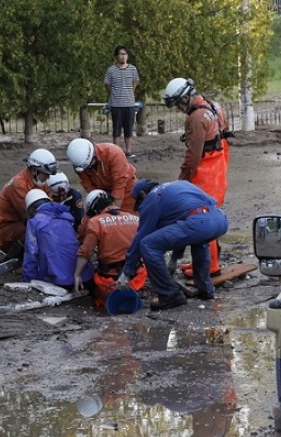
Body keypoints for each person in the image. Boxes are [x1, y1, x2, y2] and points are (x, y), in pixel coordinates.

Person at [117, 179, 228, 311]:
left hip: (199, 222)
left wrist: (127, 271)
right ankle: (206, 290)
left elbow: (141, 235)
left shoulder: (152, 198)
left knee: (148, 244)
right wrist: (175, 258)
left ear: (142, 194)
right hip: (220, 220)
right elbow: (182, 223)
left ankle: (170, 295)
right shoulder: (177, 186)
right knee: (199, 241)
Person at [162, 77, 233, 277]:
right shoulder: (213, 107)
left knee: (202, 219)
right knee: (211, 214)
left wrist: (182, 180)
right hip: (219, 166)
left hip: (206, 172)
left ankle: (209, 267)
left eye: (177, 103)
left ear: (184, 97)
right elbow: (224, 135)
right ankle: (205, 262)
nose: (178, 108)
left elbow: (193, 157)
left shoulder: (196, 118)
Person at [74, 190, 147, 307]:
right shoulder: (134, 218)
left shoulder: (95, 222)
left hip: (110, 283)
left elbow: (85, 252)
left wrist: (77, 275)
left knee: (96, 292)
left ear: (93, 210)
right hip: (137, 277)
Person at [0, 148, 58, 256]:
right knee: (35, 228)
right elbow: (32, 216)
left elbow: (50, 207)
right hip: (0, 230)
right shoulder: (19, 184)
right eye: (45, 174)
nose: (48, 177)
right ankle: (21, 258)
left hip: (15, 225)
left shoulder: (41, 182)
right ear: (34, 171)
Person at [22, 188, 94, 289]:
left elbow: (31, 253)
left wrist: (28, 280)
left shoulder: (34, 222)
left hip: (59, 281)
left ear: (31, 209)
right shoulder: (66, 217)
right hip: (85, 276)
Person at [66, 138, 138, 214]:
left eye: (89, 166)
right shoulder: (79, 165)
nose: (87, 170)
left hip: (127, 189)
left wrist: (113, 212)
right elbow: (89, 186)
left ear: (94, 155)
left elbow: (119, 185)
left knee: (129, 220)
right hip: (102, 190)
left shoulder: (114, 154)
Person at [104, 45, 140, 157]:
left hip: (129, 103)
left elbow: (135, 83)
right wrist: (114, 95)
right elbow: (107, 84)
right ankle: (117, 152)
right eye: (120, 54)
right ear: (116, 56)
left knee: (129, 129)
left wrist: (128, 93)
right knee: (116, 129)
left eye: (125, 54)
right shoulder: (111, 70)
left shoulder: (133, 69)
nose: (122, 56)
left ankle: (128, 151)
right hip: (116, 104)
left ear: (127, 56)